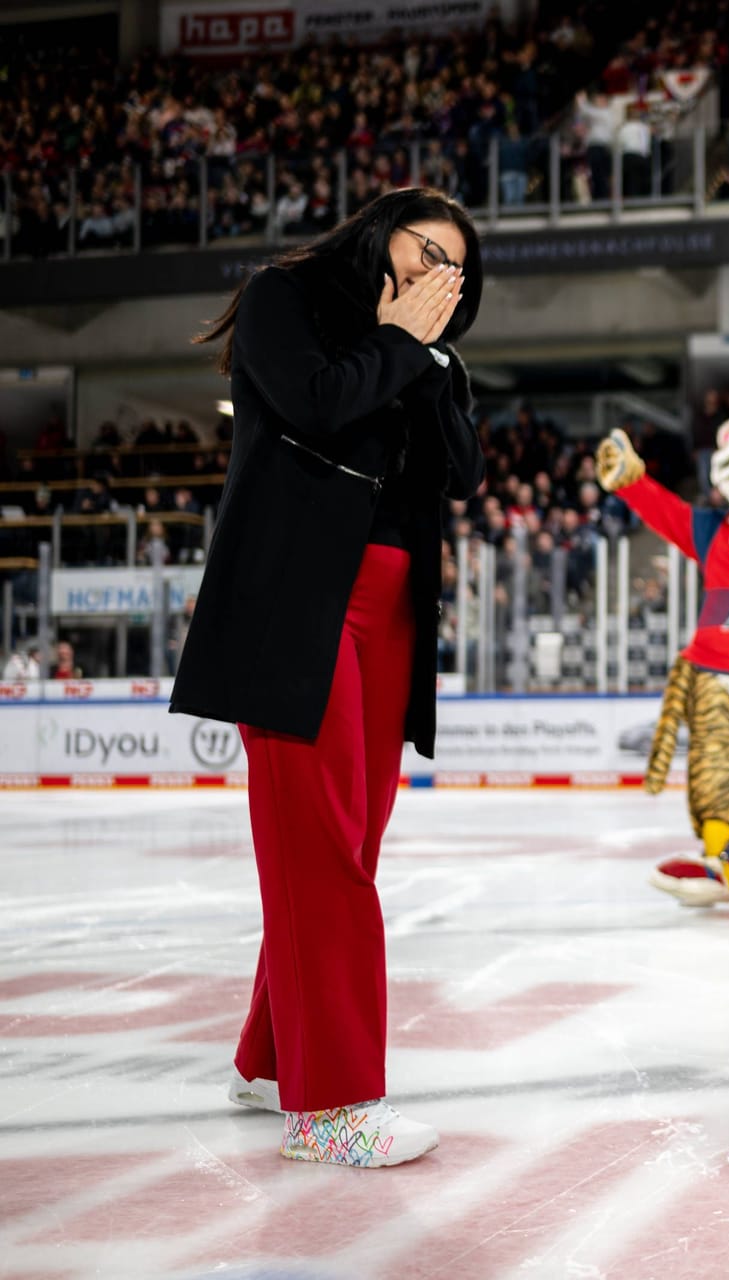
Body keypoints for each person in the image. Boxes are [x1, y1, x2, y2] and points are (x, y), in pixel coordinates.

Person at [171, 188, 485, 1170]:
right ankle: (335, 1103)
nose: (441, 272)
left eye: (458, 267)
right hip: (296, 604)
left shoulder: (426, 351)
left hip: (393, 609)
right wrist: (399, 344)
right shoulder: (284, 298)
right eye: (426, 246)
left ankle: (270, 1061)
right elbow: (311, 405)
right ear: (377, 230)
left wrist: (431, 367)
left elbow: (460, 469)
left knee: (344, 844)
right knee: (324, 857)